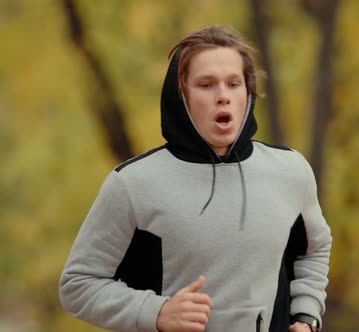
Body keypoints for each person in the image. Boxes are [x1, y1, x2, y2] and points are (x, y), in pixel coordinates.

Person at [59, 25, 332, 332]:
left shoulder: (289, 171)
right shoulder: (134, 184)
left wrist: (306, 317)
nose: (223, 96)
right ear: (182, 96)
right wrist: (157, 312)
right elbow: (78, 284)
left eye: (234, 83)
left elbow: (314, 250)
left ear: (248, 92)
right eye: (206, 85)